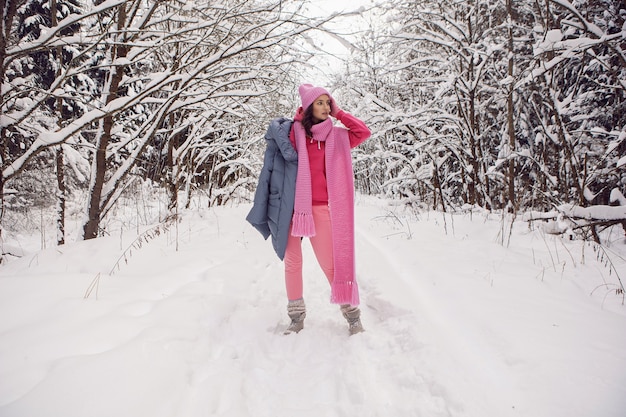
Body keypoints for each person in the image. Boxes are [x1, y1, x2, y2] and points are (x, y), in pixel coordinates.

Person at [247, 83, 371, 335]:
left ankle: (352, 316)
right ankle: (296, 317)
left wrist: (340, 114)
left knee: (330, 264)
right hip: (292, 208)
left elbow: (363, 132)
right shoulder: (293, 134)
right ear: (308, 107)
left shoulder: (336, 137)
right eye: (320, 103)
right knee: (293, 261)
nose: (326, 107)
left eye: (328, 102)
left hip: (320, 208)